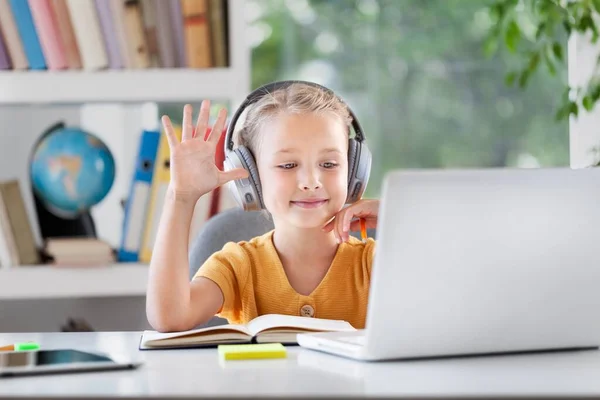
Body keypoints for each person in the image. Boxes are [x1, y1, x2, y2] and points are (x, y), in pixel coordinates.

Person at [146, 81, 379, 332]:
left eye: (330, 164)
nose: (311, 182)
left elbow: (427, 317)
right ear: (251, 178)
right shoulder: (239, 265)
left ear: (354, 170)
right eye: (288, 165)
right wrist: (180, 198)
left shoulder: (376, 262)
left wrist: (399, 220)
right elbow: (170, 317)